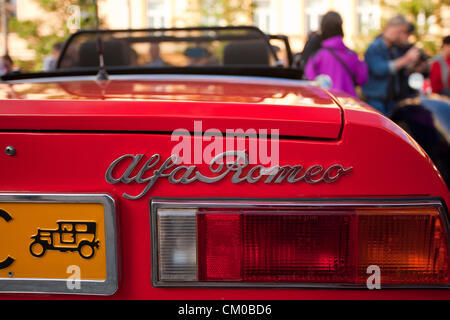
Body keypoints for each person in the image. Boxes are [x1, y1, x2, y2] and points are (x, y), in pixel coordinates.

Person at [362, 15, 420, 116]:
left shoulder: (396, 48)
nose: (399, 35)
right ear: (388, 27)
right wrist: (406, 59)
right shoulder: (375, 47)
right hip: (377, 101)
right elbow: (380, 69)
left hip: (393, 101)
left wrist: (413, 66)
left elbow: (401, 71)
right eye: (398, 32)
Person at [304, 11, 367, 97]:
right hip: (348, 103)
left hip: (327, 102)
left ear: (322, 29)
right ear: (341, 27)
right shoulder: (352, 55)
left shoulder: (318, 55)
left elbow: (309, 78)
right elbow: (361, 79)